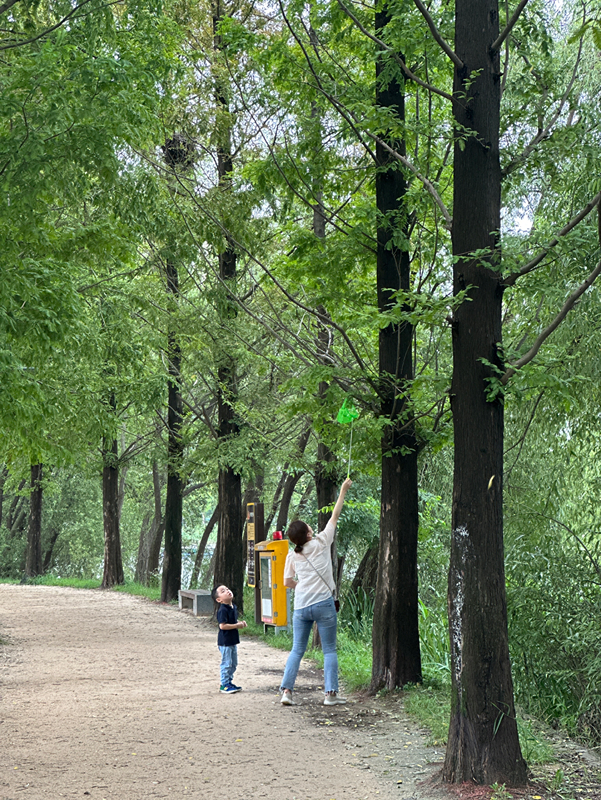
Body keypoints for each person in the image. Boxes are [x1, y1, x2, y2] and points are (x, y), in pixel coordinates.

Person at [280, 477, 353, 707]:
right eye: (309, 527)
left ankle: (287, 692)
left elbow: (287, 582)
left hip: (301, 606)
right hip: (323, 604)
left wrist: (302, 586)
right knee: (329, 650)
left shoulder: (293, 555)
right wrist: (343, 490)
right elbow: (335, 515)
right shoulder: (321, 542)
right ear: (308, 534)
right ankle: (330, 695)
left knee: (297, 650)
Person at [212, 584, 247, 694]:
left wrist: (240, 623)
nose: (227, 591)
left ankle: (229, 682)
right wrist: (237, 626)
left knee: (233, 663)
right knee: (227, 663)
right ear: (219, 599)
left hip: (232, 640)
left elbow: (232, 622)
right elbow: (222, 626)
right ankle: (224, 684)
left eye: (227, 589)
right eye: (223, 591)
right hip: (225, 641)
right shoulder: (222, 610)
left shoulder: (233, 607)